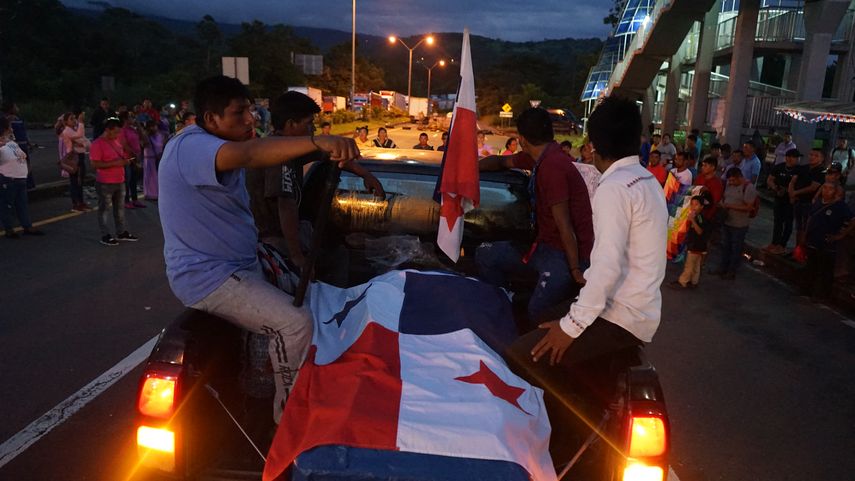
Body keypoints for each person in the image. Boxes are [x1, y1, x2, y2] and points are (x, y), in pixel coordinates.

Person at [158, 76, 359, 423]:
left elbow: (271, 149)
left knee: (314, 294)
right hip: (209, 277)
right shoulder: (192, 147)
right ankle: (289, 419)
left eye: (250, 110)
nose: (251, 120)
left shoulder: (220, 142)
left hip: (242, 262)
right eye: (239, 114)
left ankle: (274, 382)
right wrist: (319, 140)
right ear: (210, 120)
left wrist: (345, 161)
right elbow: (252, 155)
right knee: (295, 323)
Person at [519, 95, 667, 371]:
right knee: (544, 318)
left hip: (618, 316)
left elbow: (606, 267)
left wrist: (571, 327)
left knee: (522, 356)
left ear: (595, 145)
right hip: (639, 310)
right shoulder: (647, 181)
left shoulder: (614, 187)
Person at [476, 107, 593, 323]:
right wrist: (472, 168)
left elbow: (564, 225)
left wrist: (576, 270)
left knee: (536, 312)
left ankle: (532, 344)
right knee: (486, 254)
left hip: (565, 254)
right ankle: (505, 306)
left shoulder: (553, 167)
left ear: (521, 139)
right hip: (542, 245)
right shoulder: (540, 158)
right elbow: (502, 162)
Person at [252, 91, 385, 271]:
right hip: (276, 242)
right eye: (309, 124)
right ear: (291, 124)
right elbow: (286, 206)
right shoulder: (278, 155)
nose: (313, 130)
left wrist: (366, 175)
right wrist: (297, 257)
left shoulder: (290, 149)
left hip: (284, 237)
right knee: (337, 261)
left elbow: (331, 155)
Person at [90, 117, 138, 246]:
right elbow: (95, 164)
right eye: (115, 132)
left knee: (120, 209)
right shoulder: (97, 144)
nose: (117, 135)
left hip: (120, 180)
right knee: (104, 209)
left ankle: (121, 232)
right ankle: (105, 234)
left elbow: (121, 156)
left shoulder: (116, 141)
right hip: (105, 182)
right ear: (107, 130)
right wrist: (116, 163)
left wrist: (125, 160)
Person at [804, 182, 855, 300]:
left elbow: (852, 221)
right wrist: (805, 234)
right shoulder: (818, 203)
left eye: (830, 189)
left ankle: (821, 295)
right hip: (813, 240)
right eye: (825, 188)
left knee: (825, 270)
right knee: (812, 266)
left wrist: (840, 236)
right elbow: (810, 218)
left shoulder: (840, 206)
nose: (826, 191)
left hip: (827, 244)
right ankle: (808, 289)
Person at [0, 116, 43, 238]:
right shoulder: (2, 144)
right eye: (9, 127)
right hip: (9, 179)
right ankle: (9, 229)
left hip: (20, 179)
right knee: (7, 205)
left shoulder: (11, 142)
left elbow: (21, 155)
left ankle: (27, 226)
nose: (12, 129)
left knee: (22, 204)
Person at [713, 168, 757, 280]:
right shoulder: (729, 185)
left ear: (740, 177)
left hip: (739, 224)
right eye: (730, 181)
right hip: (727, 221)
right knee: (725, 246)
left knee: (736, 249)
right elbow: (725, 197)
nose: (731, 183)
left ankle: (731, 271)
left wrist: (730, 206)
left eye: (733, 181)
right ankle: (722, 268)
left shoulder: (748, 188)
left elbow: (749, 207)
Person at [764, 148, 801, 254]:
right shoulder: (779, 167)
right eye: (789, 157)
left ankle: (782, 245)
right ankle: (774, 242)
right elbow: (770, 179)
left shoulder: (799, 170)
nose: (791, 159)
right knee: (777, 221)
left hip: (791, 200)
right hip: (779, 197)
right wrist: (776, 188)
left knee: (788, 222)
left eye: (794, 157)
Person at [669, 196, 708, 289]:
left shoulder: (699, 218)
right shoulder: (696, 216)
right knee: (696, 266)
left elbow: (700, 231)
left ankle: (682, 281)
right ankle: (694, 282)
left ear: (702, 207)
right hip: (699, 246)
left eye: (696, 204)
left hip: (696, 245)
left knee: (689, 265)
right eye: (692, 204)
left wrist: (692, 221)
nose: (693, 207)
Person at [790, 148, 825, 250]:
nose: (812, 157)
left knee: (807, 228)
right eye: (811, 154)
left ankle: (803, 251)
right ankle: (797, 250)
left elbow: (813, 187)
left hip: (810, 203)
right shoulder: (803, 168)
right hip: (798, 201)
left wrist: (795, 192)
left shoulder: (821, 171)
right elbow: (793, 181)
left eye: (816, 155)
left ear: (822, 158)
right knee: (799, 227)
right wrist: (791, 193)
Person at [58, 111, 92, 212]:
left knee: (80, 181)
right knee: (75, 182)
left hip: (80, 156)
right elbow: (81, 136)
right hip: (74, 158)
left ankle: (81, 202)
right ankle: (76, 204)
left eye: (74, 118)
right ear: (65, 121)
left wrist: (83, 143)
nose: (74, 121)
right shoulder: (67, 131)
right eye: (71, 119)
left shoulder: (74, 130)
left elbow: (86, 143)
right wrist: (81, 122)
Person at [2, 102, 35, 189]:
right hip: (17, 145)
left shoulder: (18, 119)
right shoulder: (7, 120)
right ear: (11, 109)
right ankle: (24, 183)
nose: (17, 108)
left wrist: (29, 142)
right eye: (15, 106)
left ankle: (28, 183)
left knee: (26, 163)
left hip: (22, 144)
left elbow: (24, 132)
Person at [118, 112, 145, 209]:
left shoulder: (132, 129)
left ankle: (135, 199)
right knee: (127, 180)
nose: (132, 119)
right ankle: (126, 200)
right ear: (125, 119)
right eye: (130, 117)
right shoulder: (122, 130)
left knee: (134, 180)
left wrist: (138, 125)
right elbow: (124, 145)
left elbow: (142, 137)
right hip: (127, 158)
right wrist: (134, 154)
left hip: (136, 156)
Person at [694, 155, 723, 223]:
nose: (702, 168)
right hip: (694, 212)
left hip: (706, 216)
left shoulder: (717, 183)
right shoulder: (699, 177)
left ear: (712, 167)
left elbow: (714, 202)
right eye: (702, 165)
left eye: (705, 166)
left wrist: (707, 191)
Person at [141, 119, 166, 201]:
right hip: (149, 158)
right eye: (151, 126)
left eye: (154, 126)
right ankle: (150, 193)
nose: (153, 128)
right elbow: (144, 145)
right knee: (150, 176)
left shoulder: (161, 135)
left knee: (157, 176)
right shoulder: (146, 135)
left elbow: (162, 145)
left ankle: (158, 193)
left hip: (158, 157)